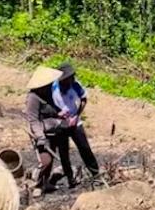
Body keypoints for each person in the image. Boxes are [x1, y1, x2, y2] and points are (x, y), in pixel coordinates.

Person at [25, 63, 100, 192]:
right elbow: (36, 118)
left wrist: (75, 115)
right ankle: (65, 180)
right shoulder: (47, 91)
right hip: (56, 127)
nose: (69, 81)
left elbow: (82, 99)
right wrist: (57, 117)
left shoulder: (72, 86)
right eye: (66, 79)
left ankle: (96, 174)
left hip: (71, 123)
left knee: (84, 148)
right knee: (60, 155)